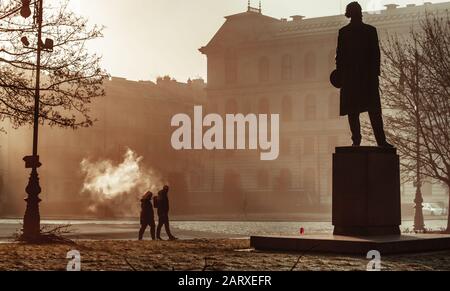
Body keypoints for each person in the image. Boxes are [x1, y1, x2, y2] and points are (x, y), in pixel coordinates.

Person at [336, 2, 393, 148]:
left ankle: (358, 140)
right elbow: (375, 55)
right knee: (370, 111)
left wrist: (340, 75)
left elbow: (340, 56)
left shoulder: (345, 32)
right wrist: (375, 75)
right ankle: (378, 141)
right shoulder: (368, 31)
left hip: (354, 78)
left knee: (355, 111)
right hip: (365, 78)